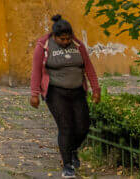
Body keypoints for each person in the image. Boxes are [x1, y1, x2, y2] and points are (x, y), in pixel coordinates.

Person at [29, 14, 101, 178]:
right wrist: (34, 94)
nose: (65, 42)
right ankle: (67, 164)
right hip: (55, 92)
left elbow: (89, 67)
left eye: (68, 38)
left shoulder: (77, 45)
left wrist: (96, 89)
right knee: (66, 127)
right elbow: (36, 71)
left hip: (77, 91)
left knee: (83, 126)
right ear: (54, 36)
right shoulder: (44, 46)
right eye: (62, 39)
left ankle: (72, 149)